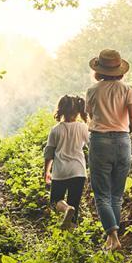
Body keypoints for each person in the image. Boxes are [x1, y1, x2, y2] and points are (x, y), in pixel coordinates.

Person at [86, 49, 132, 250]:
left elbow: (90, 115)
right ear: (119, 70)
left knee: (102, 194)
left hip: (100, 142)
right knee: (116, 195)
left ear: (99, 70)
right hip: (123, 141)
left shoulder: (92, 90)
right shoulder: (128, 89)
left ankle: (113, 237)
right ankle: (111, 239)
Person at [43, 95, 89, 229]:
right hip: (78, 171)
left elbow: (49, 153)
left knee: (55, 201)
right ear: (78, 111)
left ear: (61, 110)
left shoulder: (56, 129)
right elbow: (92, 146)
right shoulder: (83, 128)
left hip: (60, 171)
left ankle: (66, 209)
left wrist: (46, 171)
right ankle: (71, 232)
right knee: (75, 202)